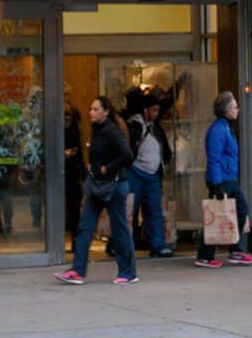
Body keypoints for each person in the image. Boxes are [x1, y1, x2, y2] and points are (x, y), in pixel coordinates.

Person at [55, 96, 138, 285]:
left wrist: (107, 168)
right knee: (85, 226)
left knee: (120, 229)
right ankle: (77, 270)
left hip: (114, 186)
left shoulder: (112, 131)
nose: (91, 112)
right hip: (97, 186)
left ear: (106, 111)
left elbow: (127, 155)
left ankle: (128, 272)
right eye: (90, 109)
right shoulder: (96, 130)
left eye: (95, 109)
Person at [196, 91, 252, 268]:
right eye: (235, 107)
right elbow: (213, 158)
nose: (238, 110)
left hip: (228, 177)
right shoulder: (218, 130)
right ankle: (205, 256)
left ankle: (235, 250)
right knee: (214, 215)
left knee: (241, 209)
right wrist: (217, 185)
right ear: (227, 110)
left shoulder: (226, 127)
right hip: (221, 179)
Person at [127, 92, 175, 258]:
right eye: (153, 110)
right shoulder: (134, 125)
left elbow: (164, 148)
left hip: (152, 175)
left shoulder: (155, 126)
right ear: (145, 110)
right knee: (129, 211)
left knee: (154, 210)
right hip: (135, 172)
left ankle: (158, 246)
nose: (156, 114)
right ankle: (122, 245)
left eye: (157, 110)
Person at [63, 99, 86, 247]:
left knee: (74, 207)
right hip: (61, 170)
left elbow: (78, 150)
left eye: (68, 117)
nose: (66, 120)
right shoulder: (56, 129)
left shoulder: (75, 129)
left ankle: (75, 239)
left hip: (73, 170)